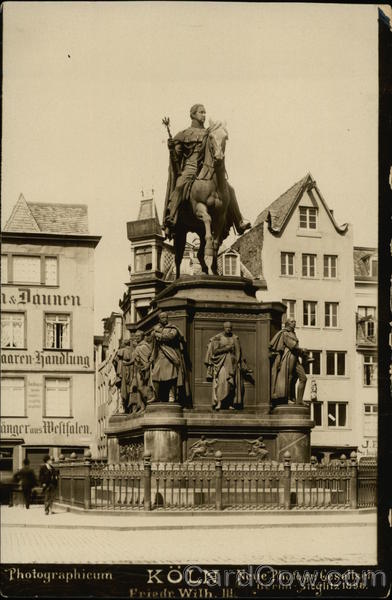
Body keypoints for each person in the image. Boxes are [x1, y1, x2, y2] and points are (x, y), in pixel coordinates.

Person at [163, 103, 251, 238]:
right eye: (201, 112)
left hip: (207, 168)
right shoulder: (182, 134)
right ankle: (171, 217)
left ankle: (239, 221)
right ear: (193, 114)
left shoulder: (209, 132)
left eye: (205, 112)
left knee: (230, 190)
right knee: (180, 185)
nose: (204, 115)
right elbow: (177, 158)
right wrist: (172, 149)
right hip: (190, 168)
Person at [205, 322, 249, 410]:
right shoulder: (218, 338)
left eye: (230, 328)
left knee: (232, 385)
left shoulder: (235, 338)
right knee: (222, 382)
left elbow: (238, 353)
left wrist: (239, 363)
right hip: (222, 363)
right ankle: (219, 402)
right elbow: (215, 352)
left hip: (233, 364)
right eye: (226, 327)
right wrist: (226, 349)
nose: (228, 329)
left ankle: (229, 403)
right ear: (224, 328)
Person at [150, 312, 190, 403]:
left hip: (170, 355)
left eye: (166, 317)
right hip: (160, 356)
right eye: (162, 318)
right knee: (155, 375)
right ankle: (155, 395)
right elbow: (151, 341)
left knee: (172, 375)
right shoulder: (156, 328)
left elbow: (169, 337)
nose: (165, 319)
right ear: (159, 319)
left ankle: (172, 395)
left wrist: (157, 334)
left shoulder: (173, 328)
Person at [269, 319, 309, 405]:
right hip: (289, 356)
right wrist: (302, 350)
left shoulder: (293, 333)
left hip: (296, 357)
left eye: (295, 321)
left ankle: (299, 400)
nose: (294, 323)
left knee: (303, 378)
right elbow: (293, 345)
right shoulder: (285, 333)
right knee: (289, 377)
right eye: (292, 322)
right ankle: (287, 398)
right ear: (287, 323)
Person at [129, 329, 153, 411]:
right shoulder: (138, 346)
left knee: (141, 387)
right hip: (137, 369)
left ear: (142, 337)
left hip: (143, 369)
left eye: (138, 336)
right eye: (135, 336)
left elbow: (148, 359)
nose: (136, 338)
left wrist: (145, 367)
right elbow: (134, 358)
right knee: (138, 388)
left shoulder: (144, 346)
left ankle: (149, 401)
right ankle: (142, 406)